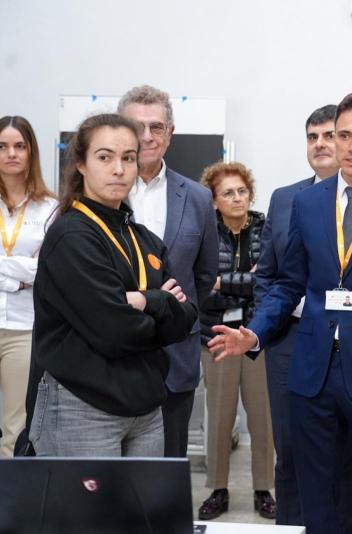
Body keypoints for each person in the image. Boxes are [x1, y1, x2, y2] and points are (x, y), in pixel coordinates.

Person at [210, 92, 352, 534]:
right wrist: (255, 332)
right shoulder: (308, 204)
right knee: (315, 498)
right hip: (312, 373)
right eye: (343, 135)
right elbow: (288, 283)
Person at [28, 113, 197, 456]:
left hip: (146, 410)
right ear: (81, 164)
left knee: (142, 498)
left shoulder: (144, 239)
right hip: (83, 408)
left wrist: (143, 301)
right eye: (104, 157)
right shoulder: (72, 237)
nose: (119, 169)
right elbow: (114, 330)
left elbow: (185, 318)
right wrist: (160, 303)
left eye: (128, 158)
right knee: (83, 499)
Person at [253, 104, 352, 530]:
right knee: (291, 451)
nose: (320, 144)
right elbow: (267, 274)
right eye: (312, 137)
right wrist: (269, 325)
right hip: (291, 341)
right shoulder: (285, 199)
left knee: (346, 452)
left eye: (329, 135)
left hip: (349, 342)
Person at [118, 85, 218, 457]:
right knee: (111, 471)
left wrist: (175, 311)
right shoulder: (101, 193)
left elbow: (204, 275)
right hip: (113, 353)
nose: (146, 136)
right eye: (136, 126)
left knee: (170, 463)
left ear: (170, 133)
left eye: (156, 127)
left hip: (176, 354)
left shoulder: (198, 198)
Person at [197, 161, 276, 520]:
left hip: (256, 334)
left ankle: (264, 489)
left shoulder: (265, 228)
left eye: (242, 191)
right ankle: (218, 489)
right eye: (228, 193)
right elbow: (203, 288)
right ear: (214, 200)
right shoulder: (205, 231)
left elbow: (269, 283)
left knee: (263, 417)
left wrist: (224, 281)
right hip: (216, 336)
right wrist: (244, 282)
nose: (237, 198)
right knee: (219, 416)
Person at [0, 116, 57, 457]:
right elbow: (31, 269)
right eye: (3, 146)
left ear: (31, 152)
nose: (11, 154)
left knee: (16, 426)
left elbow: (47, 269)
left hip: (24, 328)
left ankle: (7, 490)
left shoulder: (50, 209)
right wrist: (17, 278)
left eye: (19, 146)